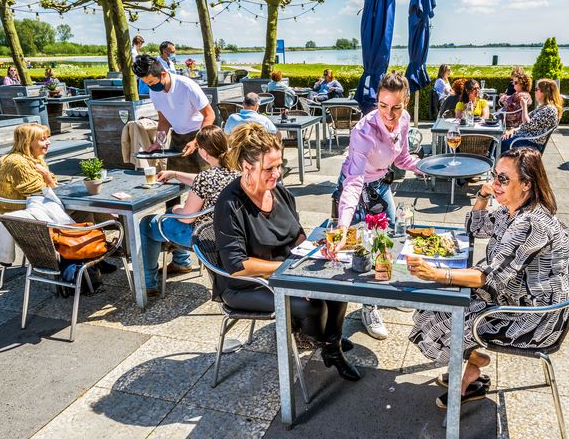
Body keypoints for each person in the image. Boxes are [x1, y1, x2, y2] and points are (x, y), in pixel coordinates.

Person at [407, 147, 569, 409]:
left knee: (445, 314)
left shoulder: (531, 223)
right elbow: (475, 227)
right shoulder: (512, 210)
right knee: (433, 304)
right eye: (495, 176)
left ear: (526, 184)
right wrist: (483, 194)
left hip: (534, 314)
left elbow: (490, 278)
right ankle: (473, 362)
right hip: (513, 294)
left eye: (503, 179)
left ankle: (468, 377)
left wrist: (437, 273)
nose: (495, 183)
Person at [214, 122, 360, 381]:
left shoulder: (278, 192)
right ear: (247, 167)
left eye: (279, 166)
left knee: (336, 282)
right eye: (269, 169)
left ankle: (330, 342)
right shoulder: (230, 204)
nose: (277, 174)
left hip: (283, 270)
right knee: (314, 305)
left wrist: (317, 248)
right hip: (246, 285)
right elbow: (237, 265)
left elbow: (297, 235)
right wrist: (289, 271)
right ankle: (328, 343)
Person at [329, 71, 422, 341]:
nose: (389, 114)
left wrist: (427, 167)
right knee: (366, 249)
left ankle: (386, 291)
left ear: (405, 103)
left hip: (381, 183)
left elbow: (402, 159)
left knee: (392, 238)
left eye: (396, 107)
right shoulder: (363, 132)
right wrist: (343, 225)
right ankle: (369, 308)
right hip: (357, 187)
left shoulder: (404, 120)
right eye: (383, 106)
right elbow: (354, 181)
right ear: (376, 102)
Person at [0, 123, 117, 274]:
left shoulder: (33, 157)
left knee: (90, 210)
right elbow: (44, 191)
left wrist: (49, 179)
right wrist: (47, 176)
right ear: (27, 141)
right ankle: (94, 255)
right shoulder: (18, 163)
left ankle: (95, 254)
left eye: (47, 138)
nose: (48, 142)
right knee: (85, 211)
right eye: (42, 139)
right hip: (25, 214)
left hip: (34, 205)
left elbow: (52, 185)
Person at [139, 125, 238, 296]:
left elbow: (187, 218)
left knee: (148, 223)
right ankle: (181, 262)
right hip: (227, 234)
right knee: (171, 215)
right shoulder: (237, 173)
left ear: (204, 151)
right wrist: (175, 174)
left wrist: (176, 209)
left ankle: (148, 283)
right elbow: (204, 181)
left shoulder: (205, 178)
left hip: (203, 236)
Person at [133, 54, 215, 173]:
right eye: (146, 84)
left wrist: (196, 141)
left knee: (204, 178)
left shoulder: (187, 86)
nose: (150, 86)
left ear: (163, 74)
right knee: (173, 177)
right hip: (177, 138)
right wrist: (158, 143)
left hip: (200, 136)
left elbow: (209, 115)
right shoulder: (154, 92)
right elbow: (163, 121)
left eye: (151, 82)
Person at [501, 79, 562, 153]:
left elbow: (528, 125)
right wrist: (514, 130)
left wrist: (524, 107)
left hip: (530, 143)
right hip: (524, 138)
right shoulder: (543, 107)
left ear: (544, 92)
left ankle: (495, 159)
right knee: (498, 139)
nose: (534, 92)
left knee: (499, 144)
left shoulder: (549, 110)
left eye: (536, 89)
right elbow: (526, 123)